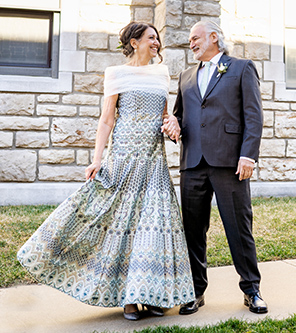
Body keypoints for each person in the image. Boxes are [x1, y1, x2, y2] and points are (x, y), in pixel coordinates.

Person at [17, 21, 194, 321]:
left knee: (153, 227)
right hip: (123, 158)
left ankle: (149, 295)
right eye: (151, 38)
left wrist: (172, 125)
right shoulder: (116, 74)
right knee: (122, 226)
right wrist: (97, 159)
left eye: (157, 39)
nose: (157, 43)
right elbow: (106, 120)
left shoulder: (161, 74)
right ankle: (127, 299)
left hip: (153, 161)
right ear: (134, 42)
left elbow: (165, 116)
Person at [162, 21, 268, 314]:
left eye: (195, 38)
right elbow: (180, 117)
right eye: (189, 40)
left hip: (230, 164)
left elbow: (254, 116)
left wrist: (248, 155)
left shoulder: (242, 68)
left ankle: (251, 289)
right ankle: (195, 291)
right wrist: (173, 125)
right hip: (193, 163)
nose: (191, 43)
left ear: (213, 37)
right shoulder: (185, 76)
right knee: (193, 231)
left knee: (239, 228)